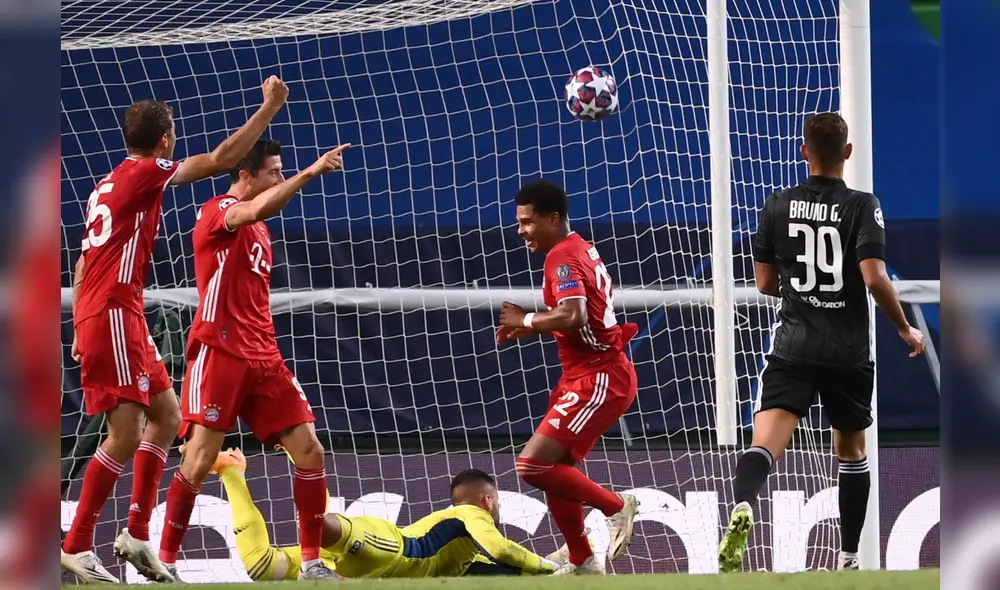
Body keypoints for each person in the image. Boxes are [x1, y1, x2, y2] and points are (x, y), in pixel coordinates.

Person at [62, 76, 290, 585]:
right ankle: (75, 545)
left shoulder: (107, 181)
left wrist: (79, 320)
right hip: (114, 312)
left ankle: (137, 536)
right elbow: (222, 158)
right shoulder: (147, 172)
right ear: (165, 139)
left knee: (166, 416)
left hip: (118, 312)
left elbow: (82, 259)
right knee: (122, 434)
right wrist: (269, 109)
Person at [717, 112, 926, 573]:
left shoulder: (777, 204)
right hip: (847, 352)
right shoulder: (863, 204)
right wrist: (903, 327)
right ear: (848, 153)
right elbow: (874, 278)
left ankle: (746, 504)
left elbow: (766, 282)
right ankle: (848, 558)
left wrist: (803, 290)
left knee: (764, 445)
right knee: (850, 451)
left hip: (794, 344)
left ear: (803, 151)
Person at [158, 140, 351, 581]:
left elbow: (261, 215)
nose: (281, 177)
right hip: (220, 350)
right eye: (275, 171)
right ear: (247, 177)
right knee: (201, 456)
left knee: (310, 450)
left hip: (264, 355)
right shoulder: (219, 209)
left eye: (284, 171)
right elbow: (252, 211)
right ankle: (165, 561)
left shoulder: (262, 229)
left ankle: (313, 563)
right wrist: (310, 172)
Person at [496, 179, 641, 575]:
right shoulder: (578, 247)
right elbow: (579, 315)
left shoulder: (560, 258)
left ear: (553, 218)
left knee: (532, 466)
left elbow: (574, 314)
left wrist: (526, 318)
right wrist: (534, 325)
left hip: (600, 377)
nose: (521, 230)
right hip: (585, 374)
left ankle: (616, 506)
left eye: (527, 222)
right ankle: (581, 560)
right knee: (556, 471)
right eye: (519, 222)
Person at [204, 448, 568, 580]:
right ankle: (301, 450)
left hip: (353, 570)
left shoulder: (463, 559)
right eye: (498, 502)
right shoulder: (469, 514)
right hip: (388, 549)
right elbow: (502, 549)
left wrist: (556, 568)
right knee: (318, 524)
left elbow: (507, 571)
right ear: (487, 500)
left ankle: (229, 470)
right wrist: (548, 566)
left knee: (261, 566)